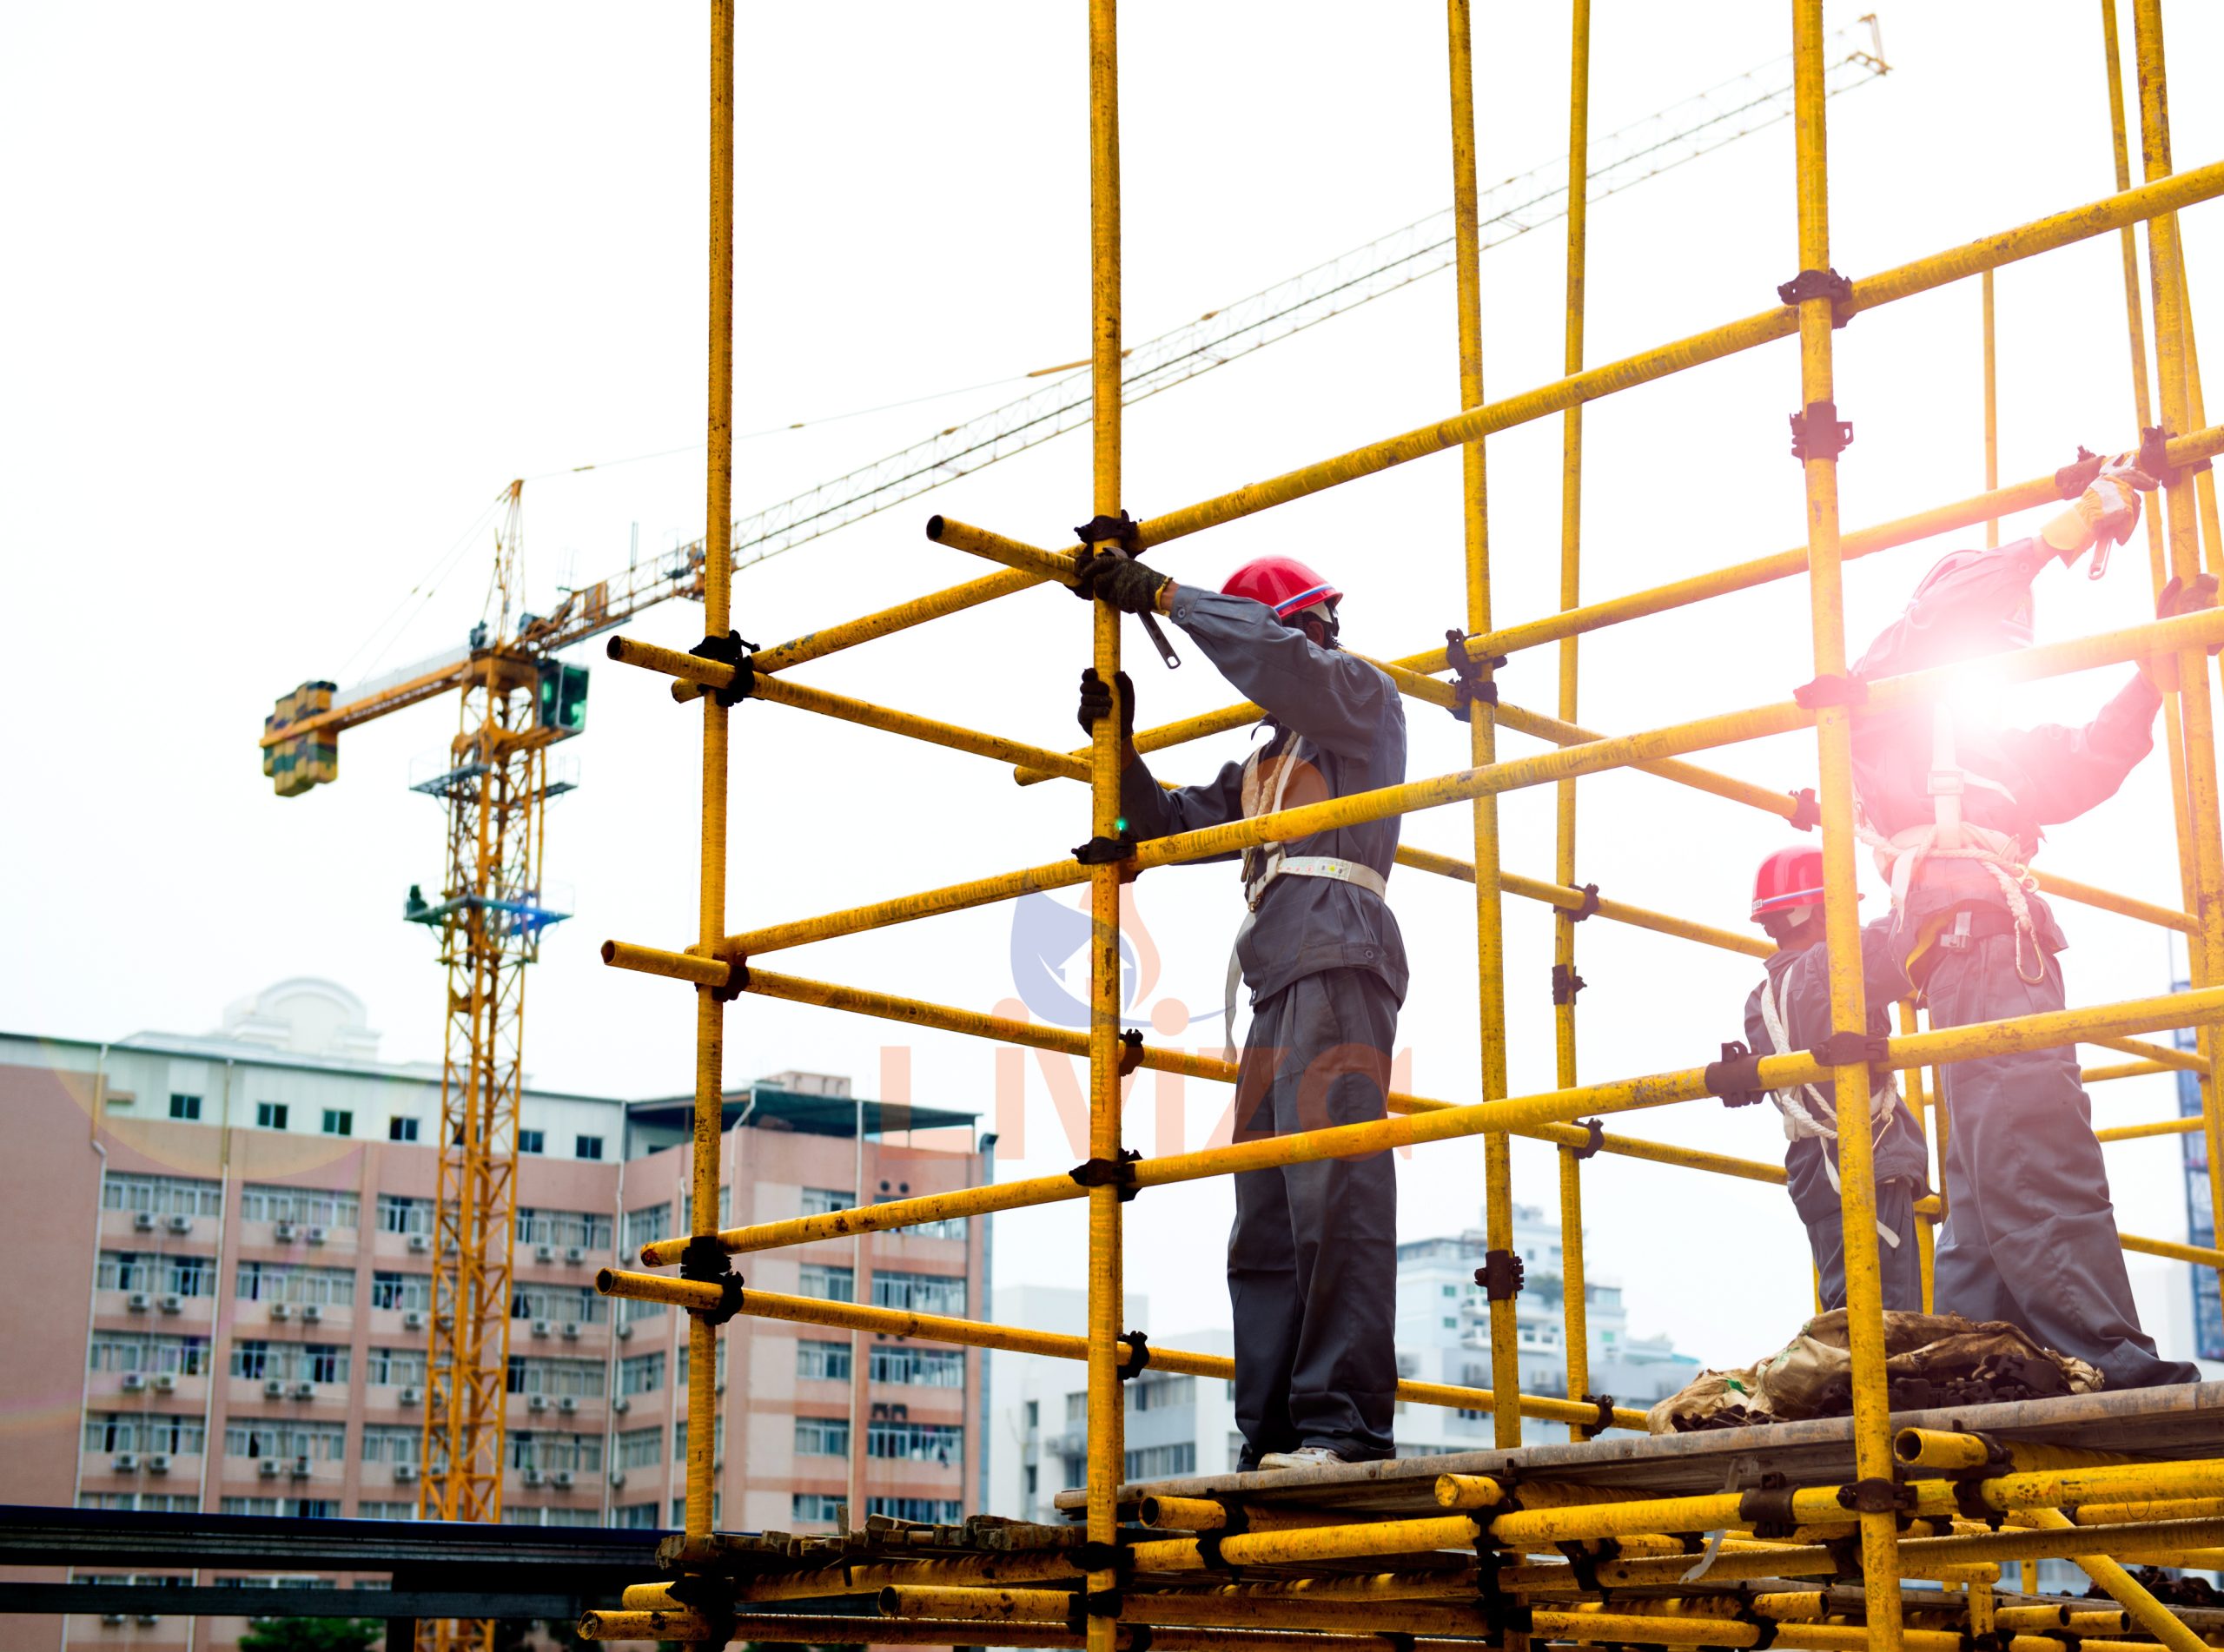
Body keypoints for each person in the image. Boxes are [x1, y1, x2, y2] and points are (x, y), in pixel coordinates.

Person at [1846, 453, 2201, 1388]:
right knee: (2034, 1139)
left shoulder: (1981, 746)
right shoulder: (1885, 699)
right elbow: (1944, 609)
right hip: (1976, 942)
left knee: (1984, 1170)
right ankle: (2104, 1354)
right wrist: (2072, 526)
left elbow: (2087, 760)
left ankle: (1982, 1356)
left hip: (1983, 946)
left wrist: (2152, 667)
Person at [1075, 550, 1404, 1470]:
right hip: (1276, 976)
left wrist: (1173, 601)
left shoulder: (1356, 703)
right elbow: (1159, 830)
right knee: (1264, 1211)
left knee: (1332, 1189)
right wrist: (1118, 751)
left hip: (1335, 954)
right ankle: (1277, 1432)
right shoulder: (1268, 765)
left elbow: (1282, 664)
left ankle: (1344, 1427)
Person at [1740, 845, 1929, 1313]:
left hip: (1814, 1171)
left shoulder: (1759, 1000)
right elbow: (1900, 939)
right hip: (1866, 1161)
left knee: (1846, 1312)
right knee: (1887, 1319)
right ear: (1823, 912)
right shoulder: (1834, 965)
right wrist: (1920, 870)